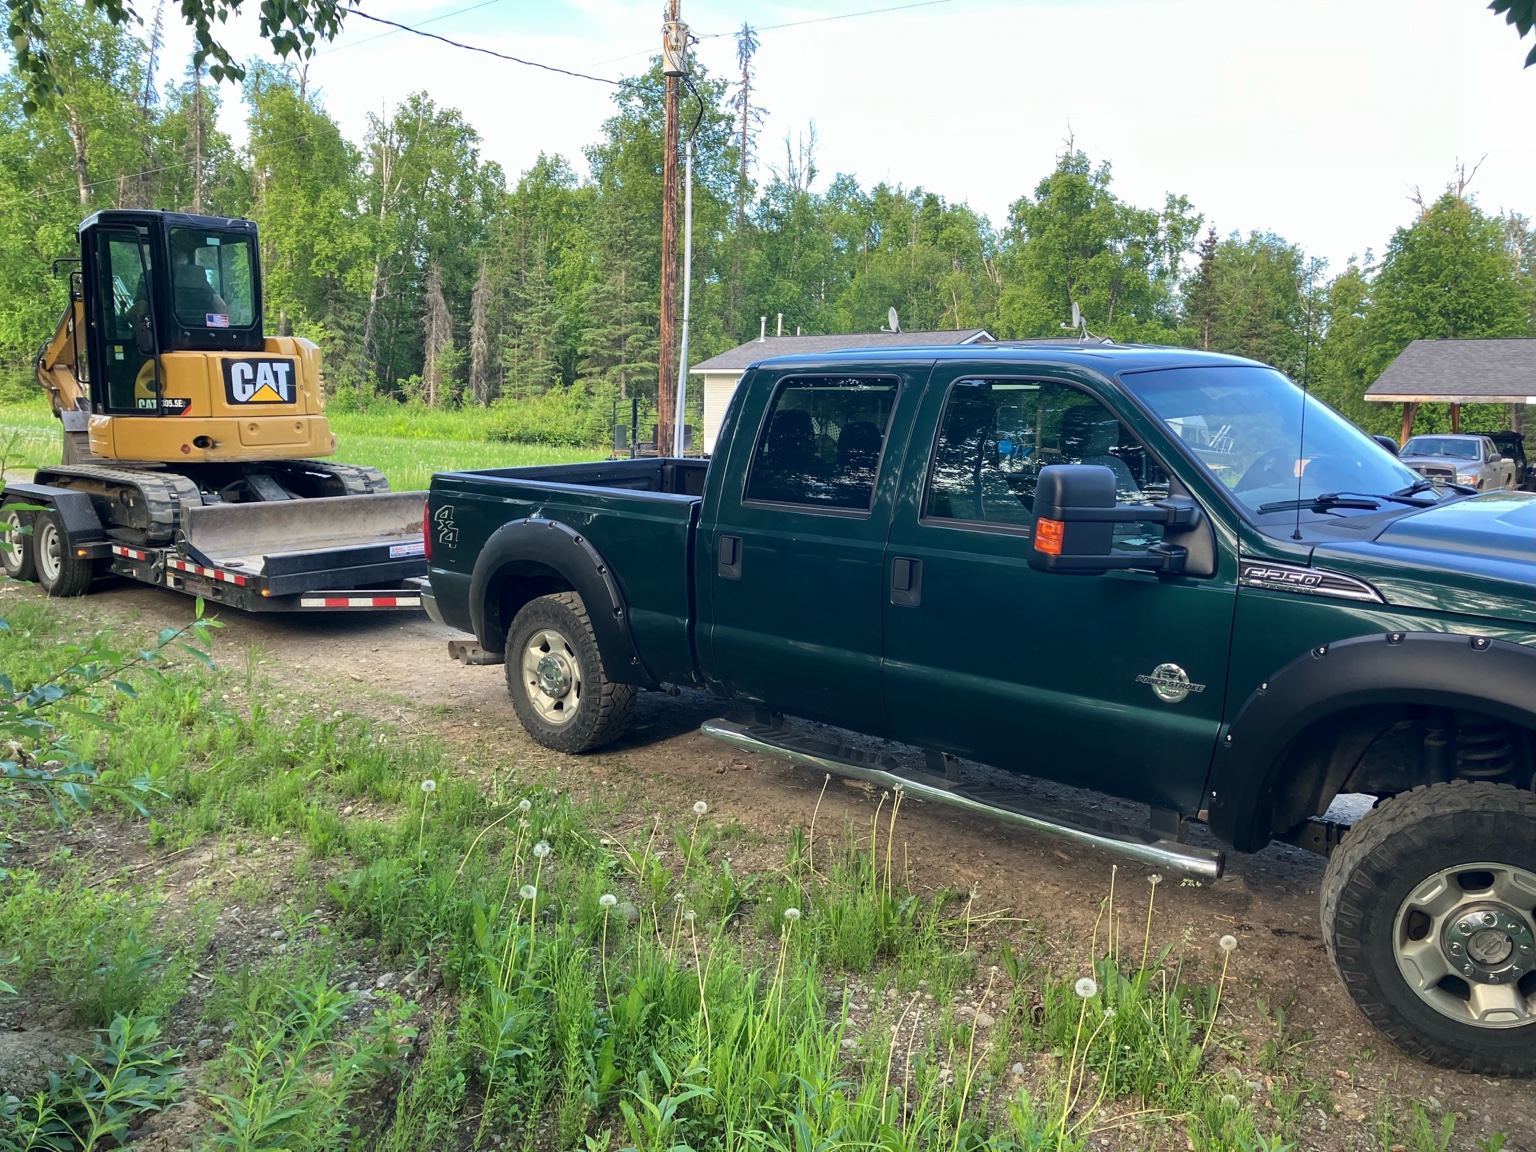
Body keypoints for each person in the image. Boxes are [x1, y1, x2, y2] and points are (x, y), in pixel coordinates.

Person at [171, 241, 227, 322]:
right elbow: (221, 306)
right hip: (201, 329)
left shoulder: (152, 277)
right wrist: (218, 327)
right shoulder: (197, 280)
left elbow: (145, 307)